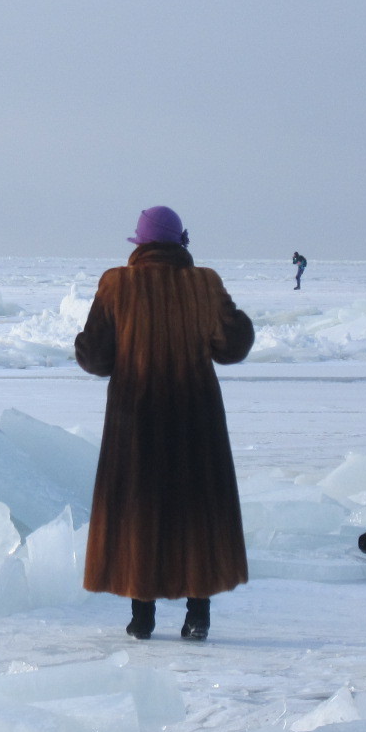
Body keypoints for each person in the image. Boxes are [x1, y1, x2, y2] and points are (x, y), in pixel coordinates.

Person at [74, 206, 255, 641]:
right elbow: (232, 346)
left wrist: (95, 343)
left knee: (140, 509)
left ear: (140, 244)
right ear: (180, 242)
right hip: (196, 418)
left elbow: (95, 358)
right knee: (197, 509)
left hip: (136, 420)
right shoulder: (204, 284)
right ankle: (198, 614)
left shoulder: (117, 285)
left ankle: (142, 617)